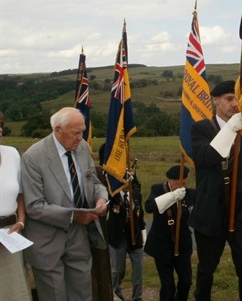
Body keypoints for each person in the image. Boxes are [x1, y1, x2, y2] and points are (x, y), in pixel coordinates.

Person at [21, 107, 108, 301]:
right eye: (75, 133)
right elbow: (34, 206)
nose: (80, 137)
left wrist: (101, 198)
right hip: (47, 241)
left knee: (83, 295)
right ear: (58, 130)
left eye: (82, 131)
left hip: (79, 236)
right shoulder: (33, 157)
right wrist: (73, 215)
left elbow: (93, 181)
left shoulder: (83, 147)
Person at [190, 80, 242, 301]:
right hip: (210, 209)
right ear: (216, 100)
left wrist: (237, 128)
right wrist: (229, 128)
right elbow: (207, 157)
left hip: (237, 210)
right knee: (207, 268)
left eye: (238, 99)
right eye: (229, 99)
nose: (235, 104)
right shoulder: (200, 129)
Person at [145, 165, 195, 301]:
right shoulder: (158, 189)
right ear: (170, 180)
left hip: (182, 244)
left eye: (183, 182)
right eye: (177, 183)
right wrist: (172, 196)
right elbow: (149, 207)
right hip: (162, 245)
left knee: (186, 281)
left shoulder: (189, 194)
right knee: (168, 286)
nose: (180, 186)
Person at [0, 111, 32, 301]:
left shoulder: (12, 154)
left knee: (15, 294)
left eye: (0, 125)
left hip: (9, 237)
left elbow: (20, 193)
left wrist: (20, 221)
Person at [106, 153, 146, 301]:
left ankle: (137, 297)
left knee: (138, 271)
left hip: (134, 235)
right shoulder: (112, 195)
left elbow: (139, 212)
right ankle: (115, 294)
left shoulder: (136, 194)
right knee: (118, 271)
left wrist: (143, 232)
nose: (127, 187)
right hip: (117, 237)